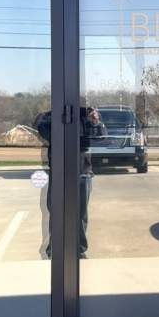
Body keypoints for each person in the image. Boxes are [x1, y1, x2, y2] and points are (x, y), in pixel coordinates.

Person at [35, 105, 107, 259]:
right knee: (56, 211)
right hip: (59, 172)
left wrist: (95, 122)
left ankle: (79, 250)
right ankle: (55, 249)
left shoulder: (87, 116)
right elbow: (42, 129)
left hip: (82, 171)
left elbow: (101, 137)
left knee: (80, 214)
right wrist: (53, 117)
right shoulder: (52, 115)